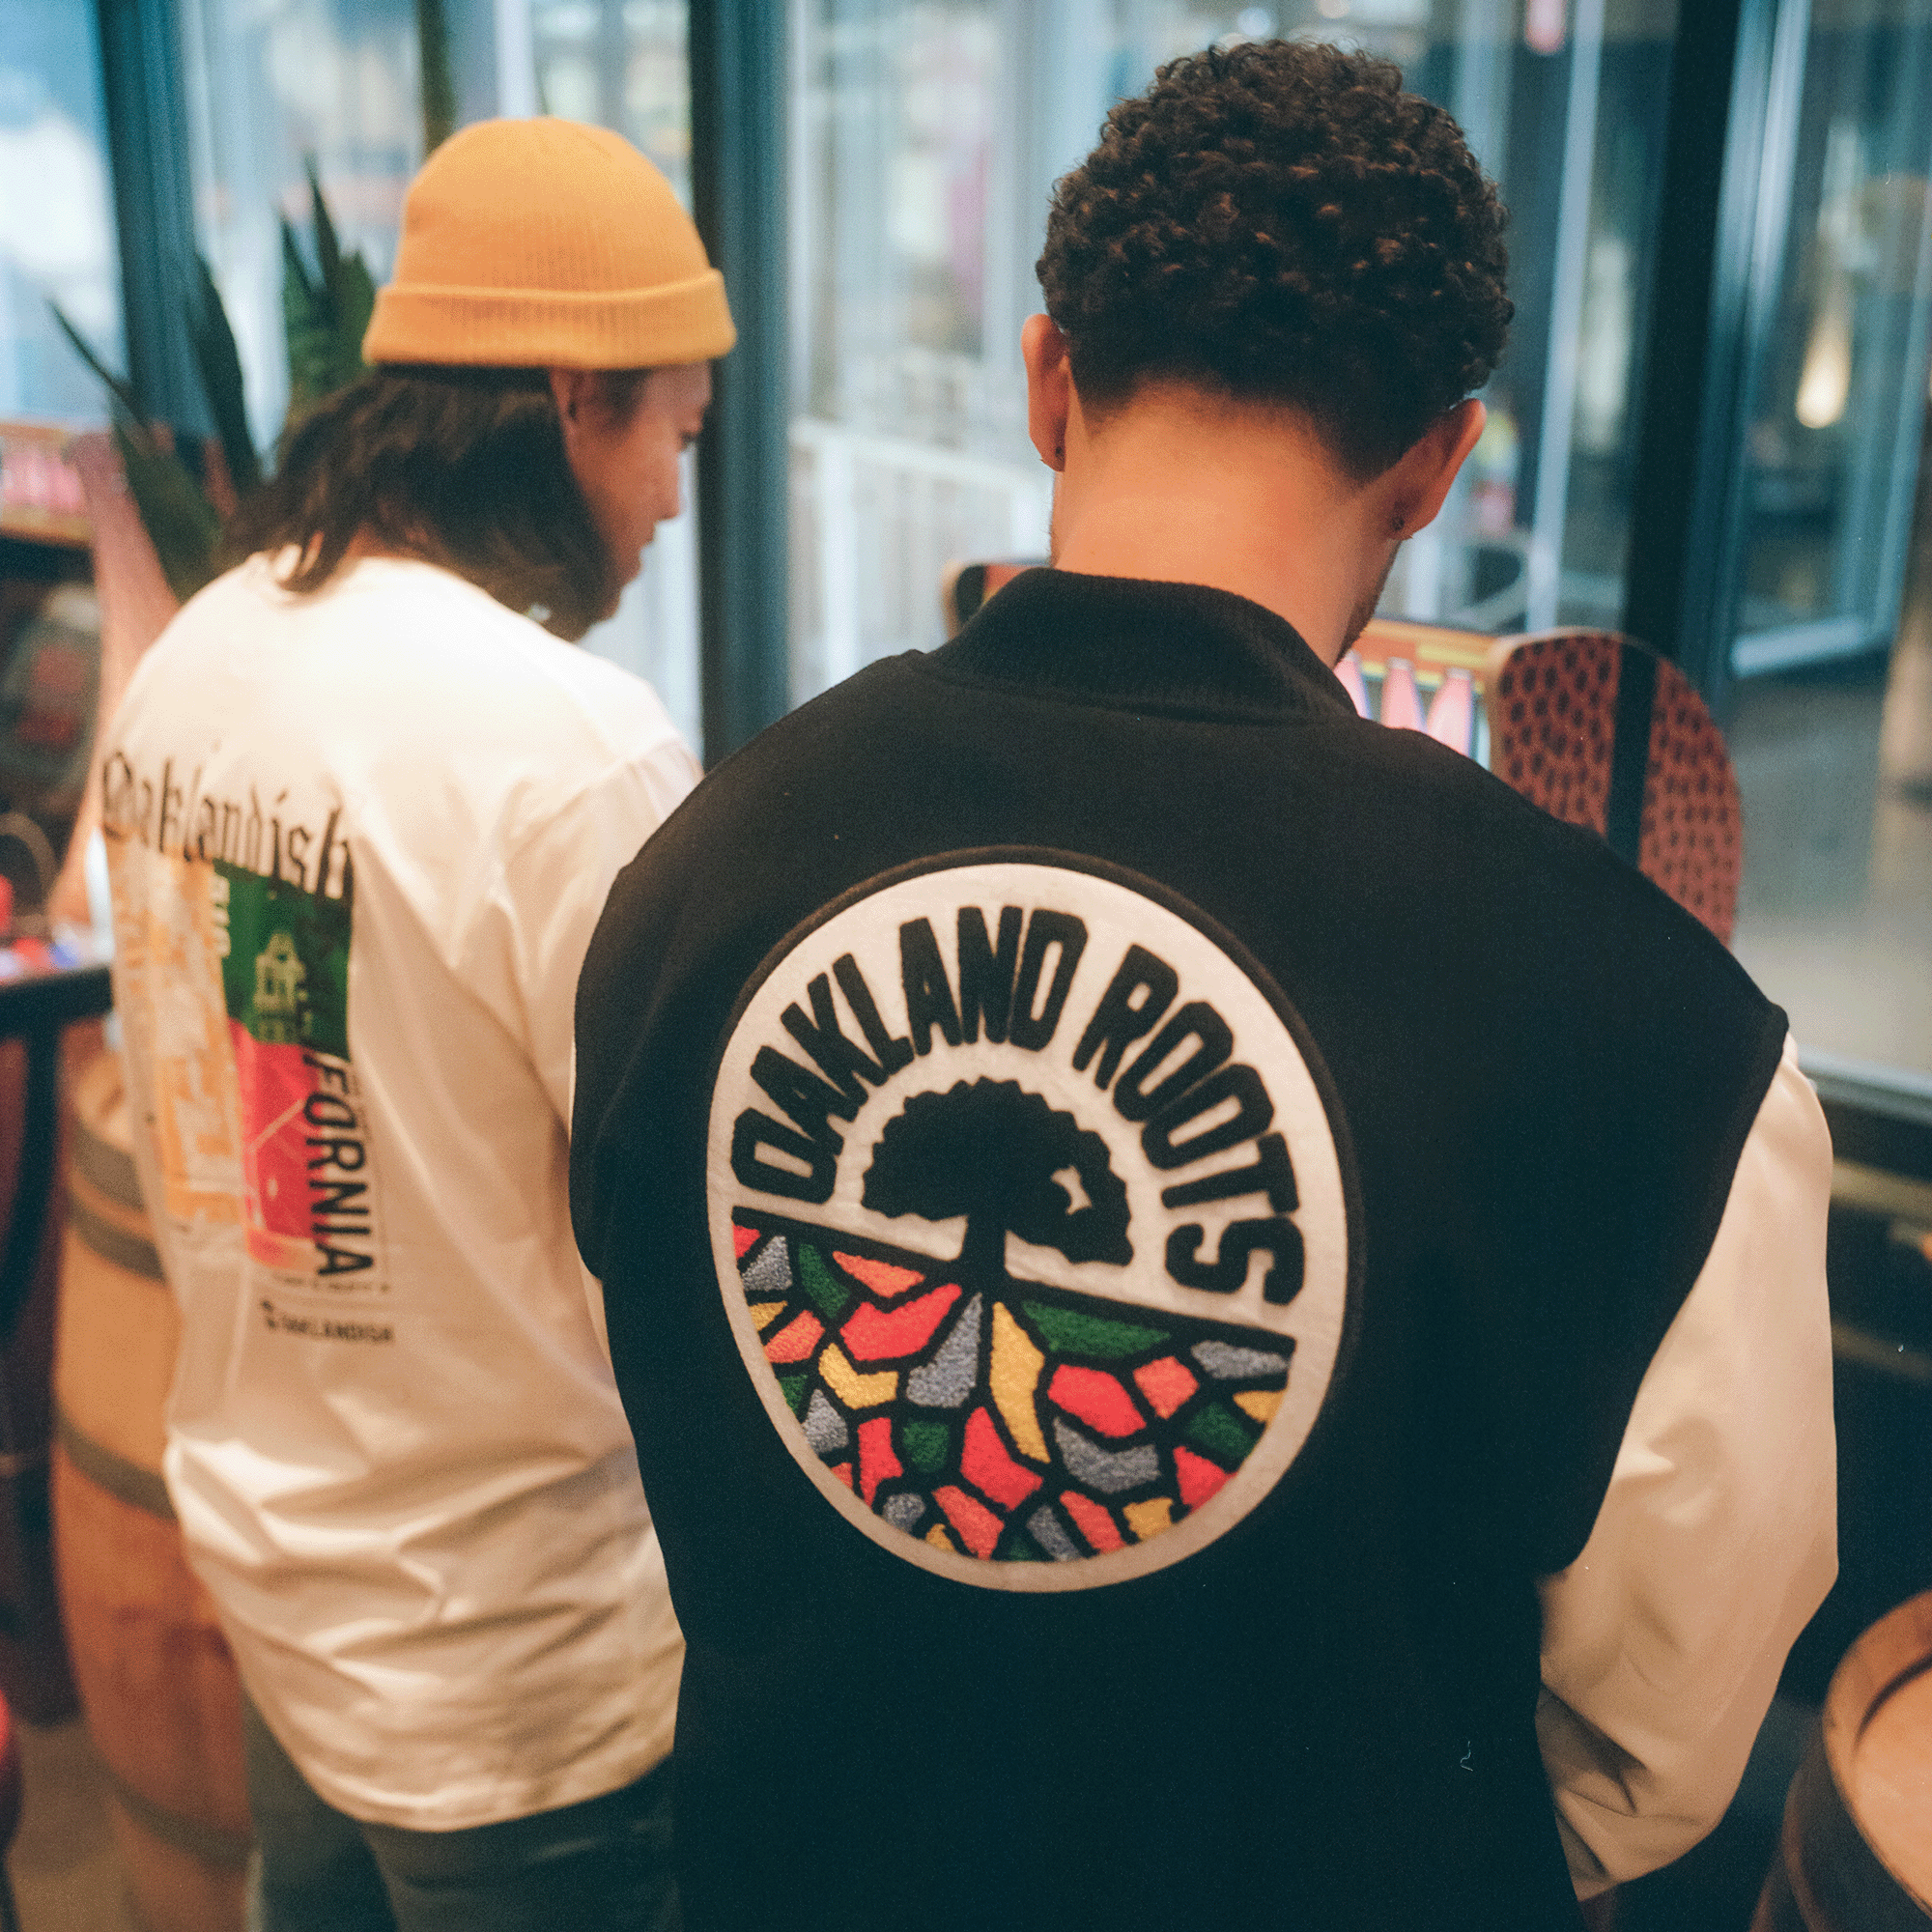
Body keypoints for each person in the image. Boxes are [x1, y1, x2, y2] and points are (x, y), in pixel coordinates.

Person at [569, 40, 1835, 1932]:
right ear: (1436, 462)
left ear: (1045, 378)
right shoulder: (1653, 1042)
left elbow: (700, 1414)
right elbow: (1654, 1745)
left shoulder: (692, 861)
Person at [101, 116, 731, 1931]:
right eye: (673, 432)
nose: (678, 498)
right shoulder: (566, 746)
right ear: (564, 398)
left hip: (294, 1606)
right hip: (535, 1685)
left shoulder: (200, 657)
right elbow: (671, 1246)